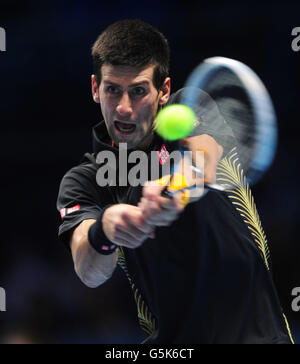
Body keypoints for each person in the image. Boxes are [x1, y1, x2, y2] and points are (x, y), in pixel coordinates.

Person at [57, 19, 294, 344]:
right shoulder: (84, 180)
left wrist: (175, 188)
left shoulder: (190, 108)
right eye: (113, 89)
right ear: (96, 88)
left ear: (164, 91)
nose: (124, 108)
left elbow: (204, 156)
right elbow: (89, 271)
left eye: (139, 91)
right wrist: (106, 228)